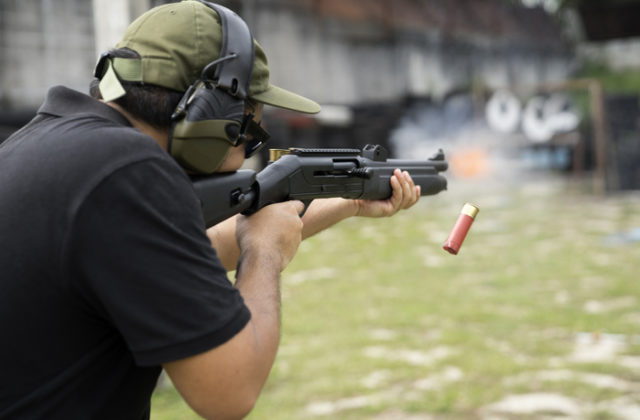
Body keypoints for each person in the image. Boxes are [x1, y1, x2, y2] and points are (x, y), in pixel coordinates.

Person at [0, 1, 420, 419]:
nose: (245, 154)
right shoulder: (130, 168)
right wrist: (265, 255)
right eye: (249, 132)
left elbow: (183, 253)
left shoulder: (46, 148)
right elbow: (230, 391)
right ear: (211, 115)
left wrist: (349, 201)